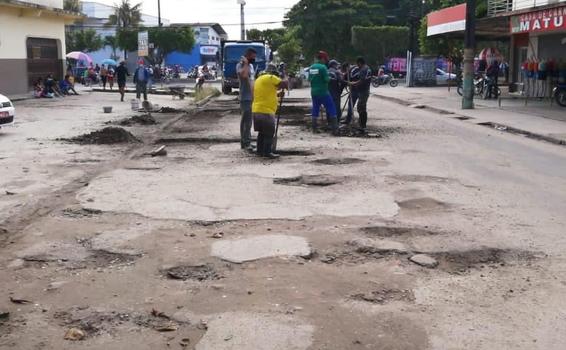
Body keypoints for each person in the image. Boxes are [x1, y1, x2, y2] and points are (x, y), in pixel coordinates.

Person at [252, 64, 289, 158]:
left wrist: (277, 95)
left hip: (256, 110)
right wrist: (285, 75)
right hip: (266, 111)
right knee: (269, 132)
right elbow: (284, 84)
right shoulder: (271, 77)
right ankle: (267, 152)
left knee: (262, 132)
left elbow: (266, 93)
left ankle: (260, 151)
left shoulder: (259, 79)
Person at [308, 51, 338, 134]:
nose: (326, 61)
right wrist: (330, 78)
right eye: (325, 59)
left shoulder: (312, 67)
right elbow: (326, 79)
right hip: (323, 92)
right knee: (331, 108)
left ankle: (314, 129)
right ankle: (335, 129)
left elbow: (310, 79)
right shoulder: (323, 67)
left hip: (314, 92)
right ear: (322, 58)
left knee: (315, 109)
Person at [237, 48, 258, 152]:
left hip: (251, 97)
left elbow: (252, 80)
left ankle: (247, 141)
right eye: (253, 57)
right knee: (245, 121)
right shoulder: (240, 65)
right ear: (248, 56)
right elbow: (244, 75)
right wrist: (245, 63)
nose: (254, 59)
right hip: (245, 97)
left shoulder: (251, 66)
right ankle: (245, 143)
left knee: (249, 121)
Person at [348, 57, 372, 131]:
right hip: (365, 90)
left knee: (361, 107)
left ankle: (362, 125)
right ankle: (362, 124)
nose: (357, 65)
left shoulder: (363, 69)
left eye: (357, 64)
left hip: (363, 91)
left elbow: (361, 80)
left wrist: (353, 83)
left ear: (360, 62)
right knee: (362, 107)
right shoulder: (368, 68)